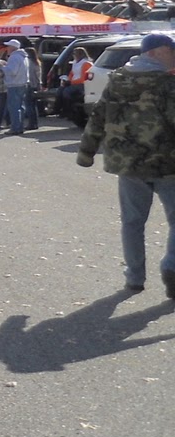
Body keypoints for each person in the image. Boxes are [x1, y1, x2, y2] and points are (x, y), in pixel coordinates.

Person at [78, 32, 175, 297]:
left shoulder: (117, 80)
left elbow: (98, 118)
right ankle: (171, 266)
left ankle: (134, 278)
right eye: (171, 51)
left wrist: (86, 152)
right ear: (155, 53)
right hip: (167, 163)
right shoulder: (168, 84)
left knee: (132, 222)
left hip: (128, 164)